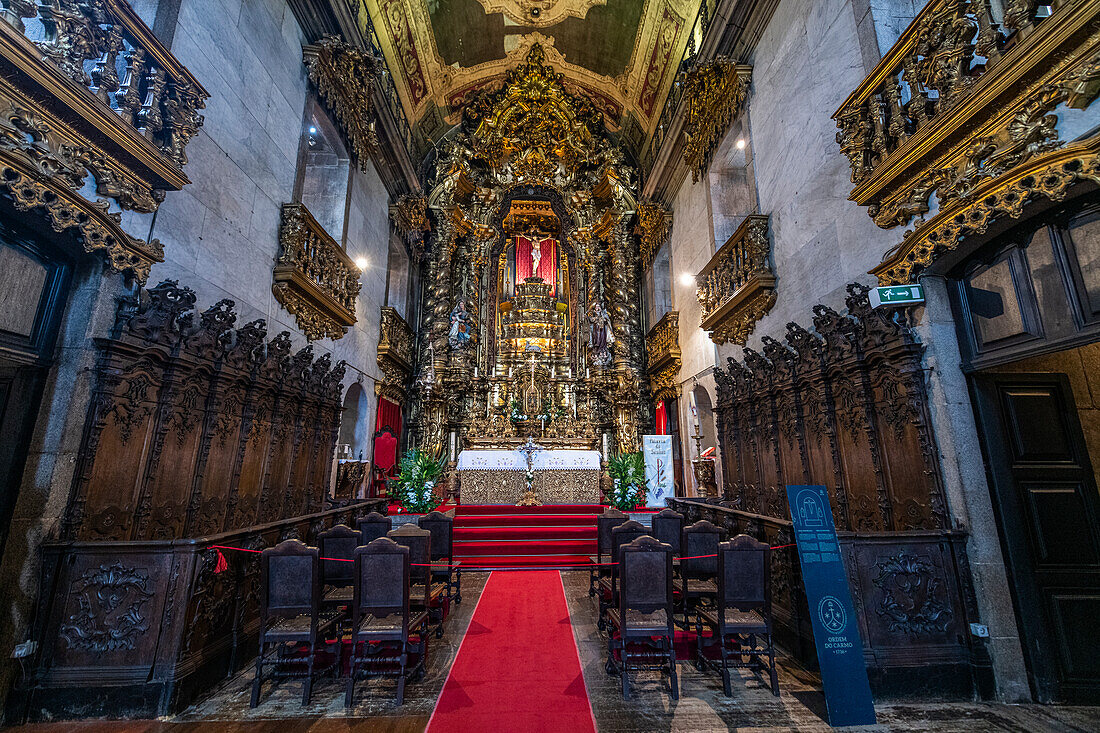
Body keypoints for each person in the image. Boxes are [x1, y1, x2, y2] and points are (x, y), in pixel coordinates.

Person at [588, 301, 614, 365]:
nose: (597, 308)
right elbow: (590, 320)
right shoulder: (593, 314)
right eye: (596, 306)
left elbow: (607, 320)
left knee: (602, 338)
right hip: (595, 329)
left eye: (598, 306)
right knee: (596, 338)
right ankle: (596, 348)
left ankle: (602, 350)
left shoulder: (603, 313)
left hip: (602, 329)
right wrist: (594, 319)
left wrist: (604, 319)